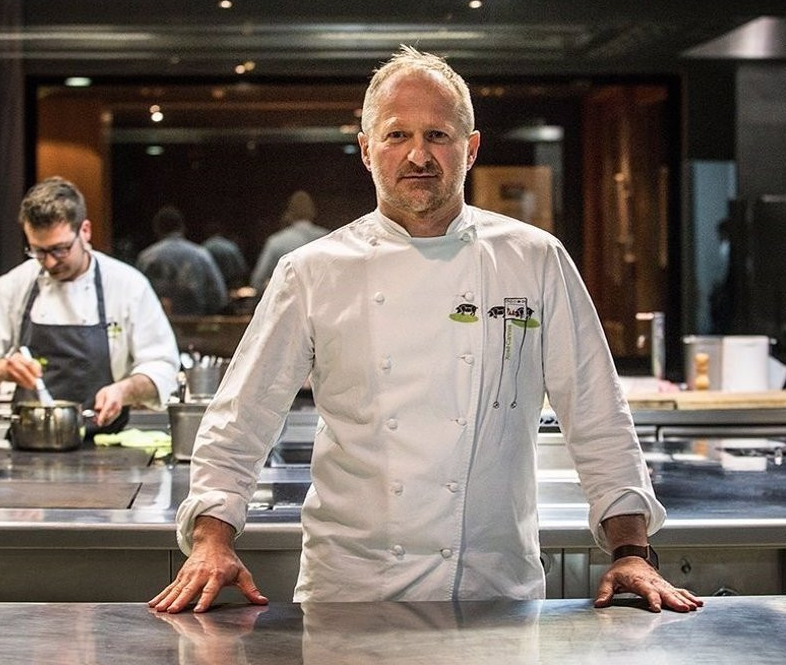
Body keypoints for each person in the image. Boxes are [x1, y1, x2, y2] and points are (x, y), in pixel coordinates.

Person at [150, 46, 701, 614]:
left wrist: (631, 550)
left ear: (472, 148)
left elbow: (596, 411)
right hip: (353, 593)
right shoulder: (312, 271)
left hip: (495, 590)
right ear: (367, 150)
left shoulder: (534, 259)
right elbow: (243, 418)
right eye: (397, 136)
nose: (418, 155)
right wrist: (211, 540)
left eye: (438, 135)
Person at [0, 176, 179, 437]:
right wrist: (2, 369)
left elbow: (162, 367)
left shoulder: (128, 285)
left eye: (60, 249)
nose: (50, 262)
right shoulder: (13, 285)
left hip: (105, 444)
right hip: (28, 442)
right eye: (38, 251)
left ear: (85, 231)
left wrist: (124, 391)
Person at [136, 205, 228, 316]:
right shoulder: (201, 255)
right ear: (183, 228)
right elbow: (219, 296)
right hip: (196, 322)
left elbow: (136, 297)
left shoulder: (146, 258)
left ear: (156, 229)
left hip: (159, 321)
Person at [248, 190, 328, 294]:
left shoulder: (276, 241)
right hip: (323, 300)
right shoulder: (328, 238)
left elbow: (257, 281)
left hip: (291, 300)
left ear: (289, 213)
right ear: (313, 211)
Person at [201, 219, 249, 292]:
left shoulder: (204, 248)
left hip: (212, 287)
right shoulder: (230, 246)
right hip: (231, 286)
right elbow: (241, 269)